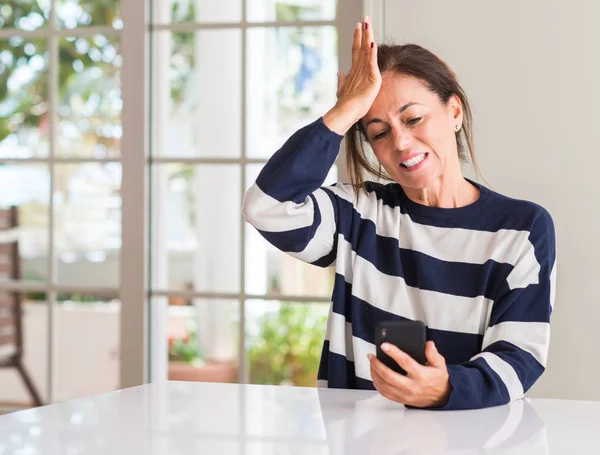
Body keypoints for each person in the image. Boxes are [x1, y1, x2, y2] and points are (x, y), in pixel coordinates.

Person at [242, 16, 556, 410]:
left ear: (454, 112)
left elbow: (520, 357)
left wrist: (444, 388)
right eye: (379, 132)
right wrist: (344, 111)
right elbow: (266, 207)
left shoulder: (521, 229)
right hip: (356, 440)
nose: (402, 143)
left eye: (413, 118)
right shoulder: (358, 213)